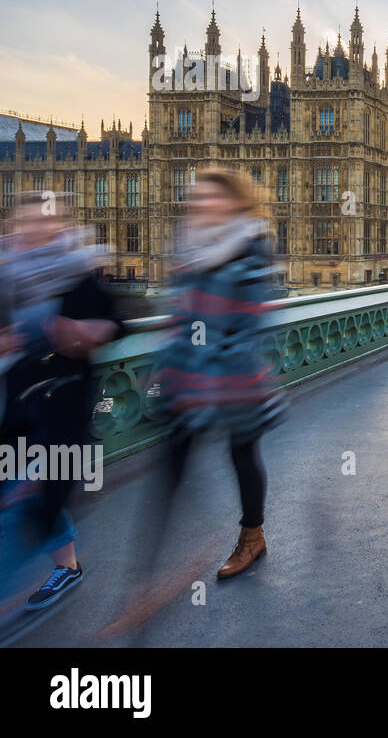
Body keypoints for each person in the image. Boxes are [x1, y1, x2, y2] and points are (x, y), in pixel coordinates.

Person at [147, 168, 283, 582]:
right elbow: (180, 314)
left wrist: (214, 370)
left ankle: (252, 536)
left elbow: (252, 319)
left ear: (236, 201)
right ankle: (145, 575)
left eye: (211, 197)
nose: (200, 204)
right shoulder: (190, 247)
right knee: (170, 467)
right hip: (189, 376)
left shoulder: (253, 248)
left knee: (242, 458)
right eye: (196, 197)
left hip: (236, 379)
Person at [0, 192, 123, 614]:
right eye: (27, 220)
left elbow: (115, 321)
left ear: (60, 226)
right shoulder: (8, 273)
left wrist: (85, 331)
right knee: (21, 485)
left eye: (43, 220)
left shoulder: (76, 275)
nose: (34, 228)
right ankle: (67, 566)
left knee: (32, 492)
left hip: (63, 399)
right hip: (17, 400)